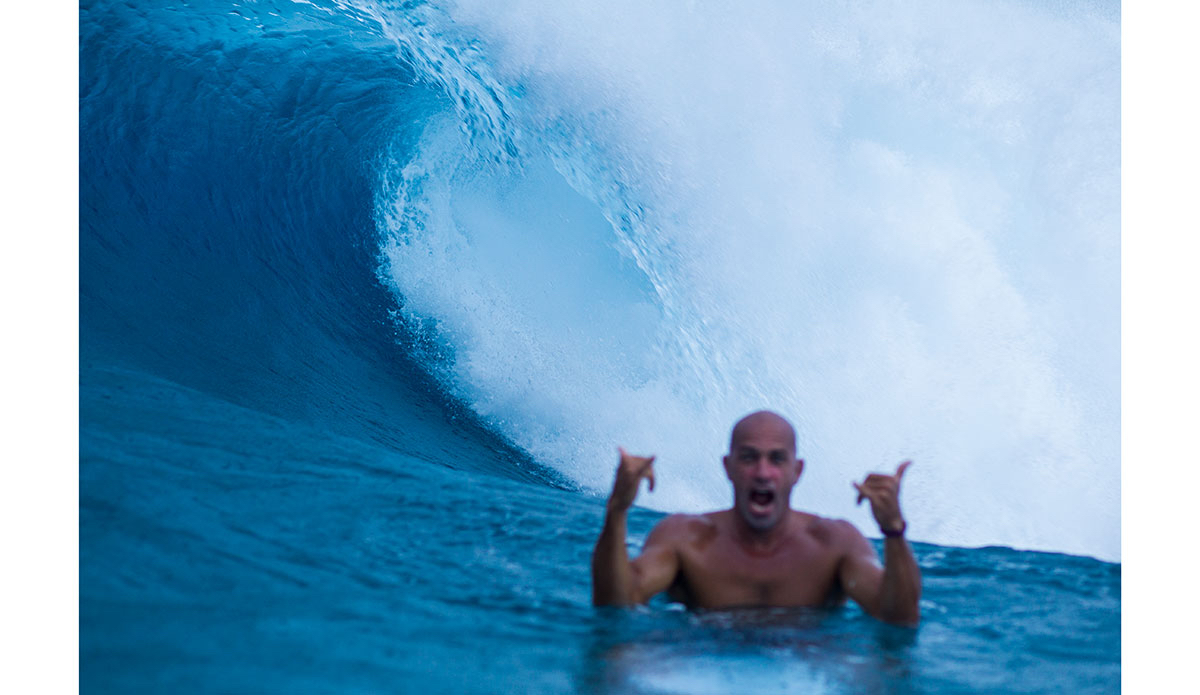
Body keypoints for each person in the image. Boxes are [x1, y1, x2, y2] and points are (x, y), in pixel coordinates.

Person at [591, 410, 921, 625]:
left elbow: (898, 616)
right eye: (749, 458)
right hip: (699, 668)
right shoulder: (685, 539)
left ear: (797, 471)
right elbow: (617, 601)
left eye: (777, 460)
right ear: (728, 467)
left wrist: (893, 530)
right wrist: (617, 511)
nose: (763, 473)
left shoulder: (834, 543)